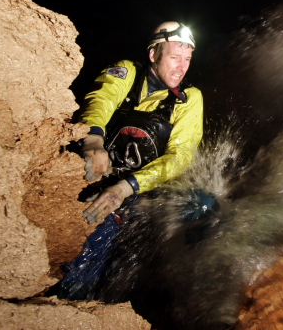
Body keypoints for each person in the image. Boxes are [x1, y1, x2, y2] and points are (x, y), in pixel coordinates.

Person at [57, 21, 203, 299]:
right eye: (174, 57)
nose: (181, 67)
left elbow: (180, 157)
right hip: (102, 175)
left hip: (143, 188)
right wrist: (93, 138)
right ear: (153, 54)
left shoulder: (188, 99)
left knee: (203, 208)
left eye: (187, 59)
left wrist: (127, 187)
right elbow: (101, 100)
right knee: (92, 243)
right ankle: (73, 296)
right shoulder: (127, 72)